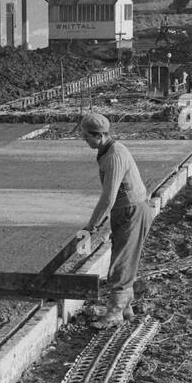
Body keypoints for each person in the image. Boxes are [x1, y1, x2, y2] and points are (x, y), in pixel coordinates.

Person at [78, 111, 154, 328]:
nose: (85, 141)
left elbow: (108, 197)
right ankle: (125, 305)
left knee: (121, 262)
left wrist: (92, 225)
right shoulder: (109, 150)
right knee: (124, 258)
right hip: (125, 211)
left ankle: (114, 313)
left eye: (86, 137)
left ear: (98, 136)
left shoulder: (114, 156)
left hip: (132, 211)